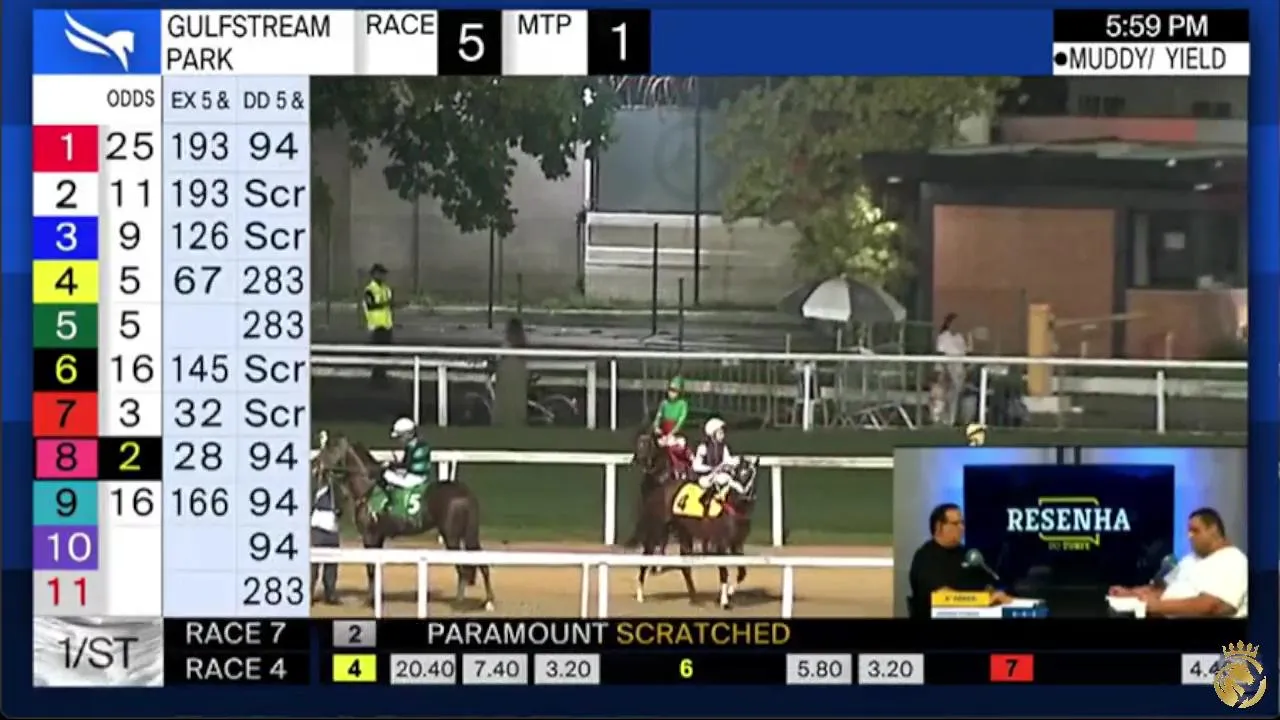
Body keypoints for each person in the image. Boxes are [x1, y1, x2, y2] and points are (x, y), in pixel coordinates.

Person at [1108, 507, 1247, 618]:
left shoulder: (1233, 560)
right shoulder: (1189, 559)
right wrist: (1129, 593)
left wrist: (1157, 606)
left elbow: (1212, 606)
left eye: (1195, 531)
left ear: (1213, 530)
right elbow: (1162, 589)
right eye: (1189, 531)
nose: (1190, 536)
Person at [907, 503, 1011, 617]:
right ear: (938, 526)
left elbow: (985, 584)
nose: (962, 528)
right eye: (956, 523)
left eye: (962, 523)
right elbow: (943, 596)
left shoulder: (966, 554)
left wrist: (993, 593)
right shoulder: (925, 557)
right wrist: (983, 600)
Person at [690, 418, 746, 510]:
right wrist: (710, 468)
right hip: (706, 477)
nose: (723, 435)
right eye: (720, 433)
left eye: (722, 433)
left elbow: (727, 460)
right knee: (709, 483)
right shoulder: (703, 448)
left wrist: (736, 461)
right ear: (713, 435)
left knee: (736, 485)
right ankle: (706, 502)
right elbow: (696, 466)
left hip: (719, 475)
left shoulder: (724, 447)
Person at [363, 264, 395, 387]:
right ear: (374, 274)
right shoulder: (369, 289)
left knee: (385, 354)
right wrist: (386, 304)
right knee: (377, 354)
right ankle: (376, 378)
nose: (383, 276)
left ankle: (382, 376)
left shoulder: (386, 289)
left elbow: (388, 305)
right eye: (380, 274)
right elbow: (370, 305)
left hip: (386, 325)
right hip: (376, 326)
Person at [310, 480, 341, 604]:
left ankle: (330, 593)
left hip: (332, 528)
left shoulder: (335, 487)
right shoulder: (314, 484)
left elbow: (342, 504)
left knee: (331, 564)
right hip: (317, 527)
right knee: (313, 565)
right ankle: (308, 593)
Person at [382, 417, 435, 489]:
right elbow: (407, 465)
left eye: (400, 437)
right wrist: (394, 465)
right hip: (412, 476)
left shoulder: (421, 447)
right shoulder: (409, 447)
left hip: (418, 479)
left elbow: (417, 469)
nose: (399, 440)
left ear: (408, 435)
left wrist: (398, 469)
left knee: (386, 474)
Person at [652, 376, 691, 474]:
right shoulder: (664, 403)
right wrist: (656, 427)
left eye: (674, 391)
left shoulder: (683, 404)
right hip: (663, 434)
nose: (671, 393)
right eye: (670, 390)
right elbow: (658, 417)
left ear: (679, 392)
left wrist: (671, 434)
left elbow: (680, 422)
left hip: (677, 435)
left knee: (672, 448)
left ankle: (679, 470)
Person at [935, 313, 967, 425]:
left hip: (959, 370)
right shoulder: (943, 337)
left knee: (955, 396)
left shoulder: (960, 338)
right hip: (947, 369)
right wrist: (945, 372)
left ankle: (953, 420)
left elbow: (964, 354)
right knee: (945, 396)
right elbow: (941, 354)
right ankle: (941, 419)